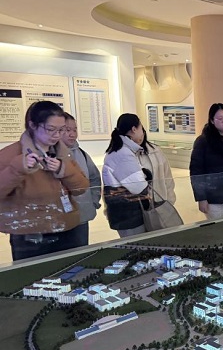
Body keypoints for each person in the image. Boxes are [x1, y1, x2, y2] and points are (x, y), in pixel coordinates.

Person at [0, 101, 89, 260]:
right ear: (33, 125)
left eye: (61, 130)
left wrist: (63, 169)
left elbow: (82, 187)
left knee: (74, 271)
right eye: (51, 129)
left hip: (67, 227)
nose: (57, 135)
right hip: (30, 233)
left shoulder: (64, 153)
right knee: (35, 274)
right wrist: (18, 168)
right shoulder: (10, 155)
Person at [102, 113, 176, 237]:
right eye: (141, 128)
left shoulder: (130, 151)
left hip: (141, 210)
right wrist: (146, 176)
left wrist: (169, 201)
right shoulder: (123, 154)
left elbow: (167, 179)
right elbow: (138, 187)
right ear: (134, 129)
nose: (143, 132)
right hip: (129, 214)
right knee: (138, 243)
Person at [60, 112, 102, 246]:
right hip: (60, 219)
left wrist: (93, 201)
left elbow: (94, 178)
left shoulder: (82, 154)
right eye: (68, 130)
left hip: (81, 217)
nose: (72, 134)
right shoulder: (49, 155)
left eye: (75, 130)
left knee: (81, 251)